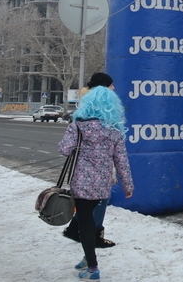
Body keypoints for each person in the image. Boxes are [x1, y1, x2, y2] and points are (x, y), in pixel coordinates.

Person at [59, 81, 134, 280]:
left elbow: (64, 150)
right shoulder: (114, 132)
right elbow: (122, 162)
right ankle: (87, 256)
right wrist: (128, 185)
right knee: (90, 221)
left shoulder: (77, 127)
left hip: (80, 184)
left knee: (85, 223)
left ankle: (93, 268)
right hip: (102, 186)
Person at [62, 73, 119, 248]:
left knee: (88, 202)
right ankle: (95, 235)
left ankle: (75, 229)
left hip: (83, 166)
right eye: (111, 85)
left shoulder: (85, 104)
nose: (113, 88)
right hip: (98, 164)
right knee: (100, 200)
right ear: (103, 87)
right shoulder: (104, 106)